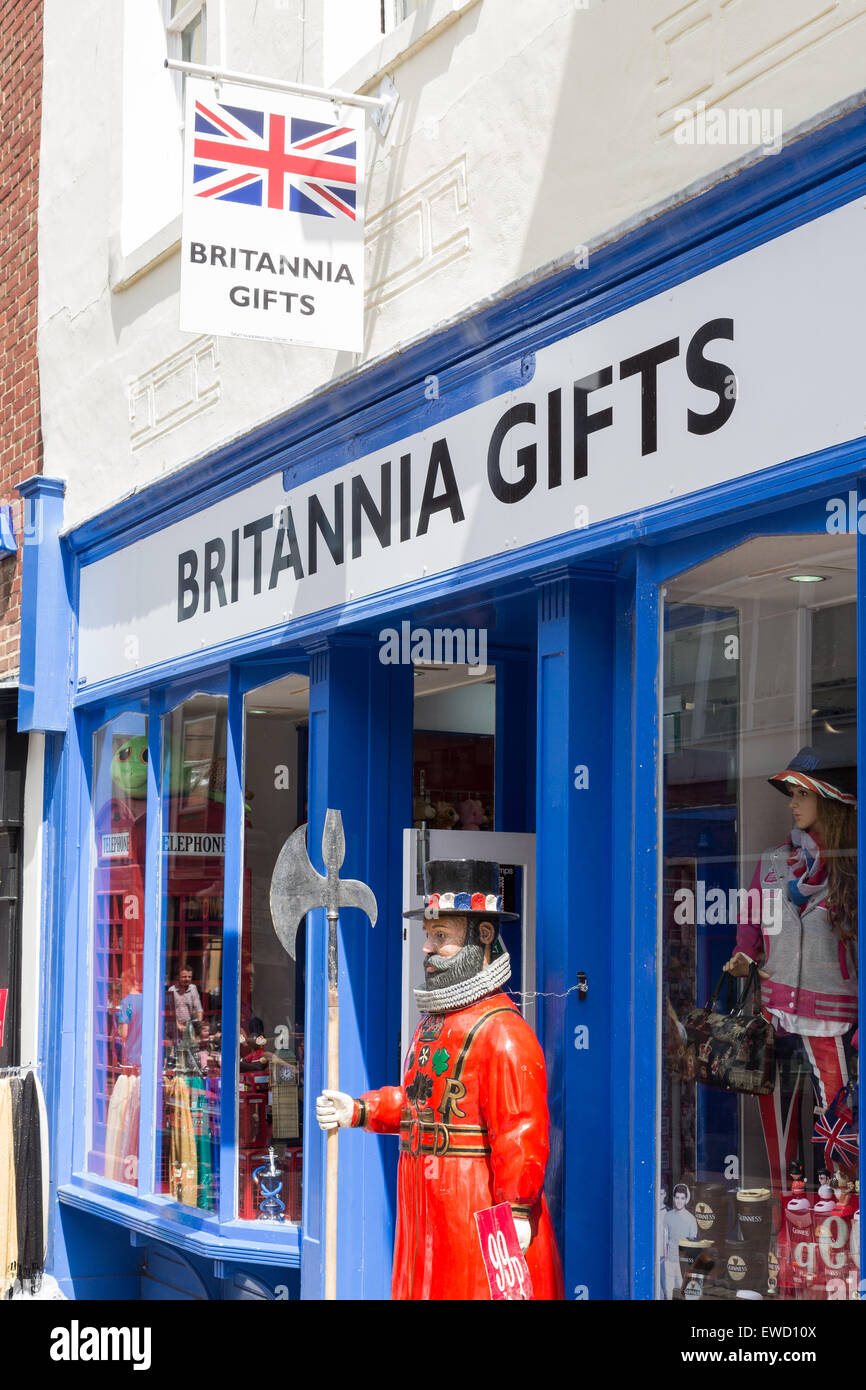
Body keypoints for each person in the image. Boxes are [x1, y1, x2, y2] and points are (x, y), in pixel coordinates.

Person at [316, 859, 564, 1301]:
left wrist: (518, 1212)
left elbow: (521, 1131)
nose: (427, 948)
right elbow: (419, 1103)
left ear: (483, 936)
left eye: (442, 937)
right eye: (429, 936)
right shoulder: (433, 1025)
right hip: (428, 1209)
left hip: (477, 1210)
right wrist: (360, 1109)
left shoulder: (504, 1034)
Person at [723, 746, 858, 1192]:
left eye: (802, 794)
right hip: (774, 1015)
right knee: (778, 1130)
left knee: (840, 1120)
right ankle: (788, 1220)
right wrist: (745, 957)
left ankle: (841, 1214)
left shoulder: (850, 864)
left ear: (828, 798)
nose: (793, 804)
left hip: (830, 1016)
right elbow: (751, 928)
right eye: (791, 795)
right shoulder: (774, 862)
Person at [662, 1184, 698, 1299]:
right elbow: (664, 1239)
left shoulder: (691, 1219)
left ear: (686, 1199)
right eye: (677, 1197)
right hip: (669, 1261)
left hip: (683, 1263)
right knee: (668, 1291)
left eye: (682, 1198)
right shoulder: (667, 1216)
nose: (679, 1201)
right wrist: (666, 1257)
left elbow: (693, 1245)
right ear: (673, 1198)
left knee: (684, 1292)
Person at [167, 966, 203, 1039]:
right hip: (175, 1027)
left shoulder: (193, 988)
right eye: (184, 977)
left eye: (189, 977)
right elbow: (170, 1012)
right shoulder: (172, 990)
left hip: (190, 1026)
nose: (187, 979)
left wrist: (198, 1026)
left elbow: (198, 1009)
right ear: (178, 977)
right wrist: (178, 1025)